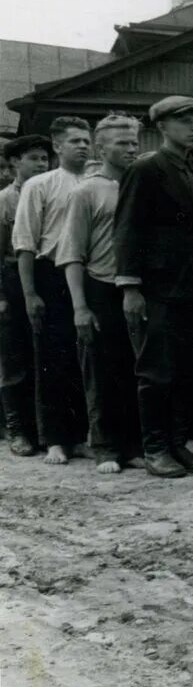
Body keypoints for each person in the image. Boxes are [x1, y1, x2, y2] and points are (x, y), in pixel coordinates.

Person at [113, 95, 193, 478]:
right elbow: (127, 230)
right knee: (156, 371)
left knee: (190, 370)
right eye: (183, 119)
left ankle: (178, 444)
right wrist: (130, 286)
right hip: (157, 287)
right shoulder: (146, 169)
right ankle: (155, 448)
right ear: (162, 127)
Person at [58, 114, 143, 473]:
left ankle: (134, 446)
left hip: (137, 288)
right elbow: (72, 254)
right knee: (101, 370)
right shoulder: (86, 191)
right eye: (122, 143)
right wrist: (80, 307)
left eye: (135, 142)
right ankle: (106, 447)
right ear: (101, 147)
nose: (131, 149)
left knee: (135, 369)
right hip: (99, 286)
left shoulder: (143, 184)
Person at [11, 116, 92, 464]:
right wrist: (30, 293)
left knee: (86, 359)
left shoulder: (97, 182)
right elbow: (25, 243)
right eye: (75, 141)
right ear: (57, 146)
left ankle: (84, 435)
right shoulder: (41, 185)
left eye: (86, 140)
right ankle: (56, 438)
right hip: (52, 274)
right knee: (53, 359)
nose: (83, 146)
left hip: (91, 275)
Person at [0, 135, 50, 455]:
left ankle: (45, 429)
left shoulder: (51, 191)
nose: (41, 165)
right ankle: (17, 429)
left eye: (45, 159)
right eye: (34, 158)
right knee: (14, 356)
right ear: (16, 163)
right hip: (12, 282)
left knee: (44, 356)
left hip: (46, 277)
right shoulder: (6, 199)